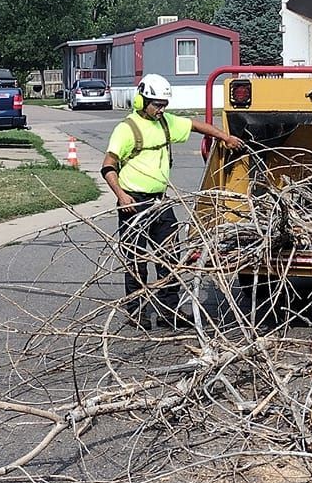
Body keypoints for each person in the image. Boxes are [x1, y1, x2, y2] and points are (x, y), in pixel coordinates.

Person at [101, 74, 241, 326]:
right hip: (134, 204)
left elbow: (196, 125)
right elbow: (108, 166)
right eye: (156, 104)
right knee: (137, 260)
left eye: (164, 104)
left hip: (161, 202)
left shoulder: (165, 123)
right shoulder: (127, 129)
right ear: (142, 100)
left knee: (170, 257)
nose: (161, 109)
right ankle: (137, 312)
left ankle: (169, 311)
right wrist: (121, 196)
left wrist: (224, 137)